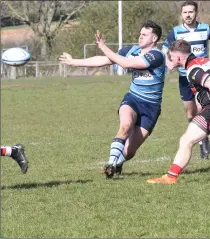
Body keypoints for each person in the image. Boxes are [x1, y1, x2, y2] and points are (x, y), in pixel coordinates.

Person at [59, 20, 166, 179]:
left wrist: (103, 46)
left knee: (129, 152)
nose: (140, 37)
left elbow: (126, 63)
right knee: (125, 126)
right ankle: (110, 164)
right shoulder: (132, 50)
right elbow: (103, 60)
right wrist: (73, 61)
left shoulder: (156, 55)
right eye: (140, 34)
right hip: (133, 99)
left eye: (144, 35)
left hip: (151, 108)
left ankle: (117, 163)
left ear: (154, 38)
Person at [147, 39, 210, 184]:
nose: (171, 60)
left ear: (178, 57)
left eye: (171, 57)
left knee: (186, 140)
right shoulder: (205, 60)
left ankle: (171, 177)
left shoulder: (192, 69)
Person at [162, 1, 210, 159]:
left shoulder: (205, 28)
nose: (188, 15)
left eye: (191, 12)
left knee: (204, 110)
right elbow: (164, 50)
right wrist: (169, 64)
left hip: (203, 78)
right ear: (181, 14)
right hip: (185, 80)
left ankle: (204, 140)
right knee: (190, 113)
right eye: (185, 12)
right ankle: (202, 136)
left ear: (196, 13)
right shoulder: (176, 32)